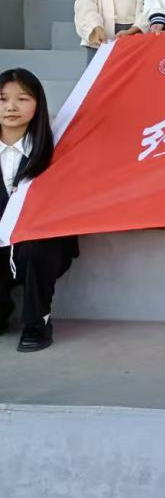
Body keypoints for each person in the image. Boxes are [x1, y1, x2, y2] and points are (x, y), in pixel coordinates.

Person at [0, 68, 78, 352]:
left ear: (37, 104)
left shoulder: (54, 152)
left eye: (22, 99)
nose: (11, 107)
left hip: (38, 248)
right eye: (2, 99)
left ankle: (37, 322)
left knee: (38, 243)